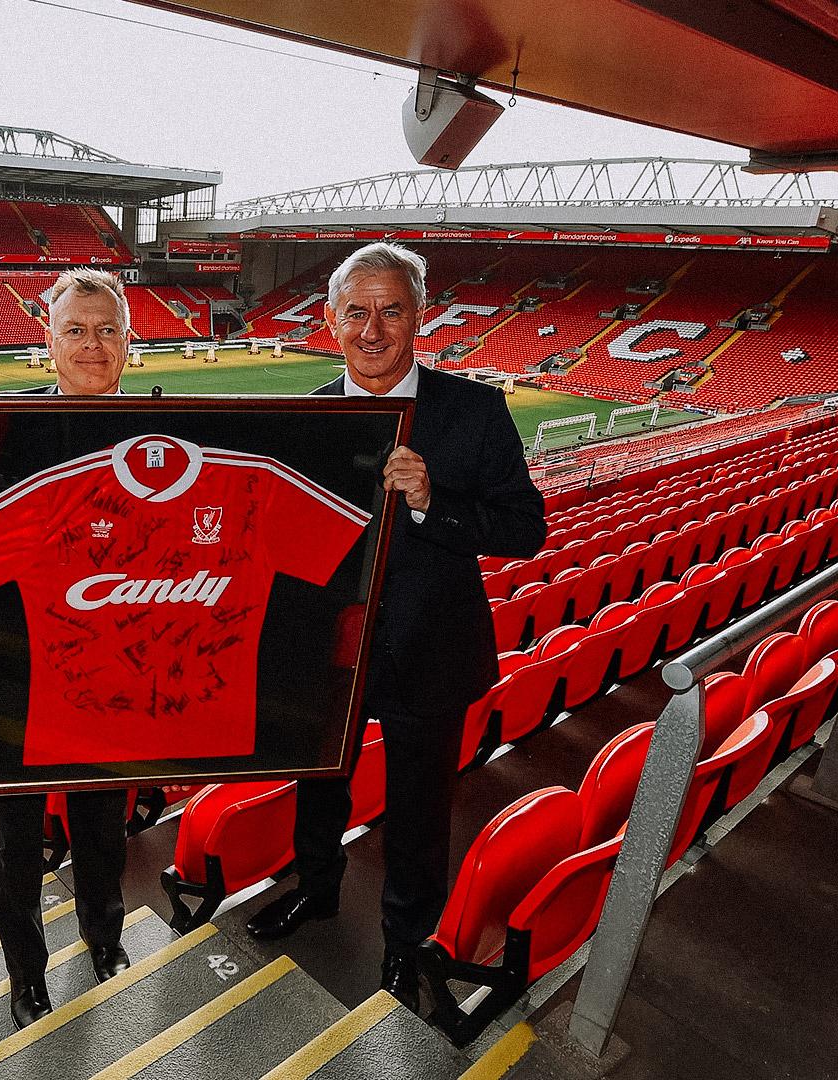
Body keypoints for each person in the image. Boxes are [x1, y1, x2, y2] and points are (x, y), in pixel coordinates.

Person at [244, 243, 546, 1015]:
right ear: (330, 322)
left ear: (420, 317)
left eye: (390, 309)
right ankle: (315, 890)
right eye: (356, 311)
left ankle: (406, 942)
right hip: (327, 655)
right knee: (318, 790)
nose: (373, 328)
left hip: (430, 649)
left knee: (418, 812)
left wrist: (428, 501)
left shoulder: (473, 411)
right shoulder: (305, 415)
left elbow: (524, 528)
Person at [0, 267, 134, 1029]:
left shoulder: (169, 442)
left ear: (130, 345)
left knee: (103, 827)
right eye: (76, 329)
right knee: (14, 842)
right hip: (21, 680)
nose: (92, 344)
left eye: (108, 329)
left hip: (115, 680)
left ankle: (103, 936)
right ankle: (25, 975)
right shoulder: (3, 434)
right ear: (48, 340)